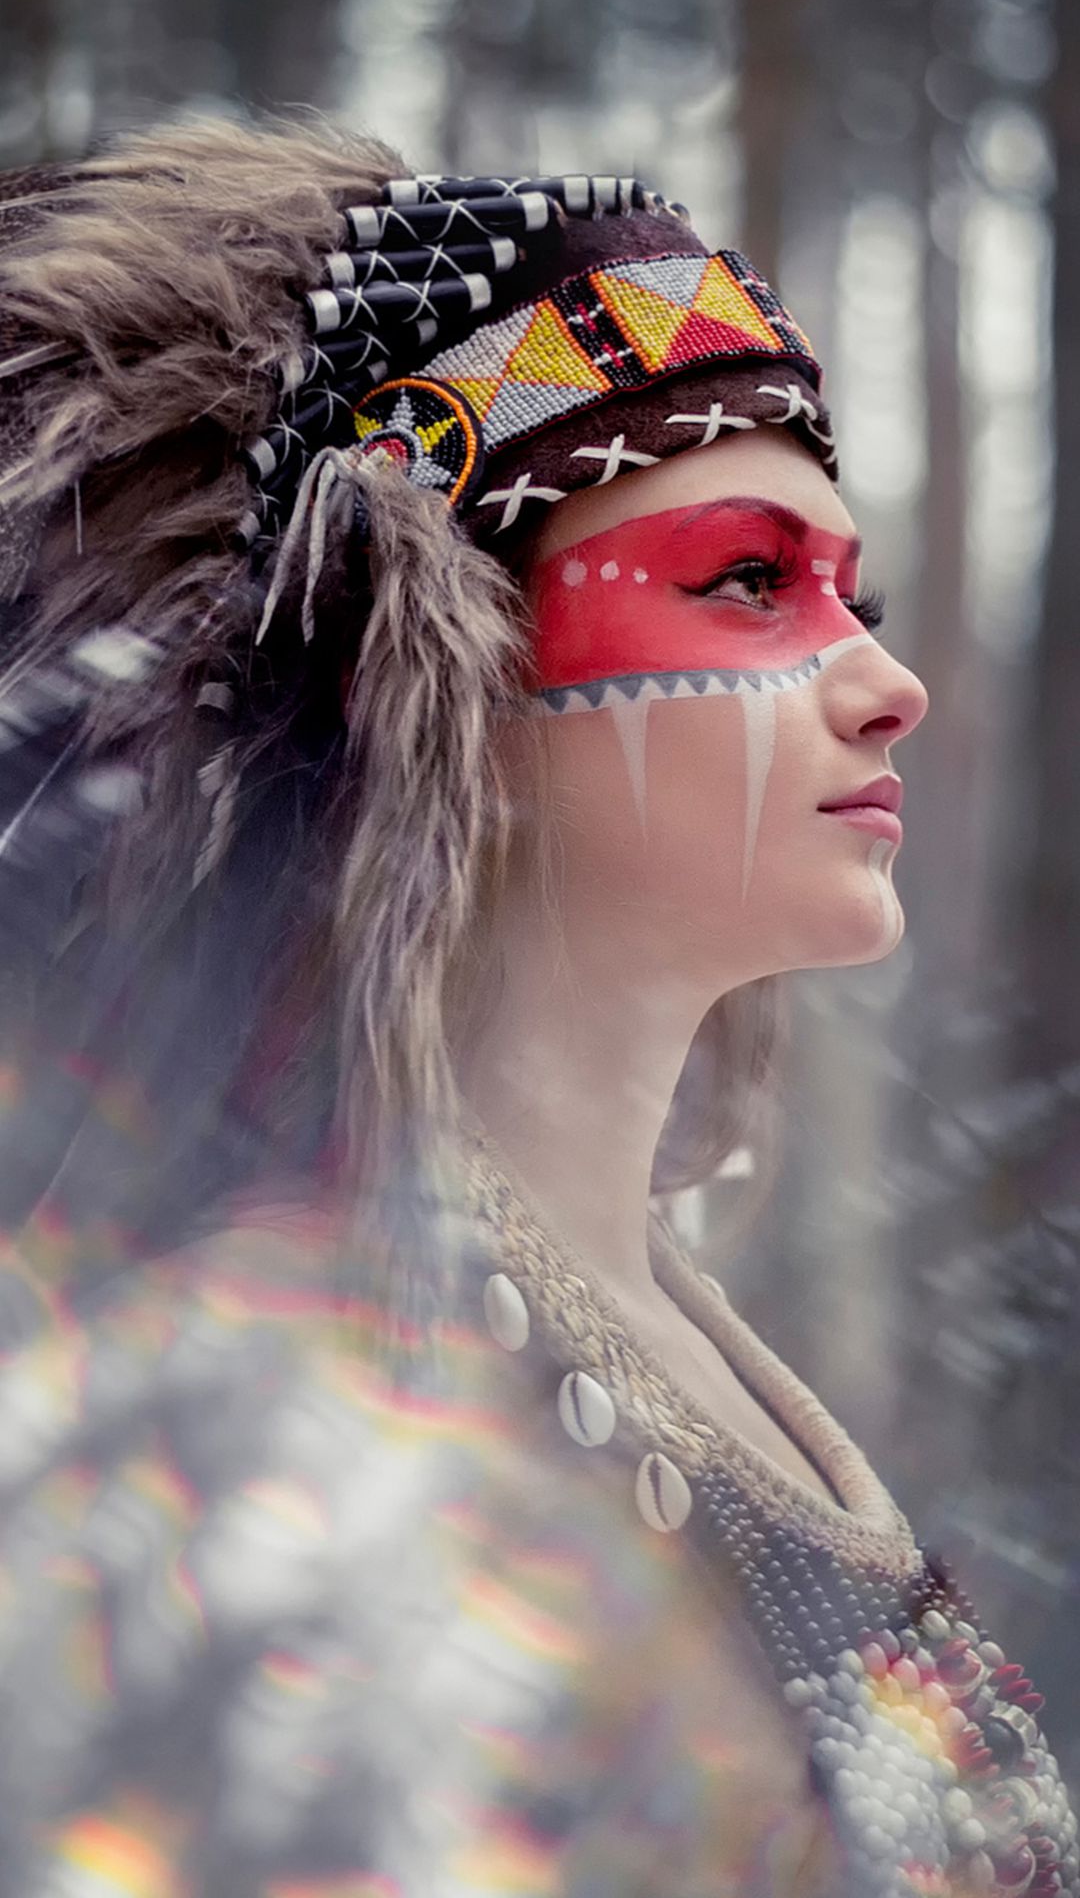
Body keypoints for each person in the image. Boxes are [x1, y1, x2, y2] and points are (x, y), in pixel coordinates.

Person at [0, 115, 1071, 1898]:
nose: (888, 683)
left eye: (853, 595)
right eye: (749, 582)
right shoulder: (283, 1403)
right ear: (436, 661)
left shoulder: (681, 1341)